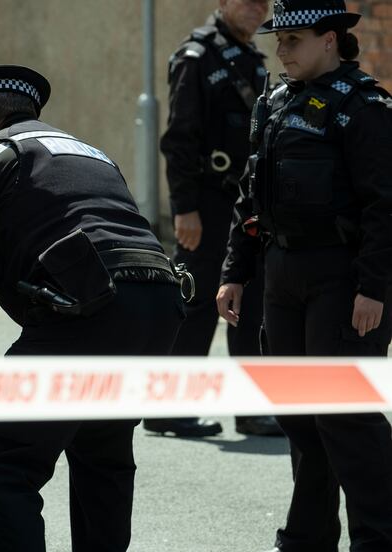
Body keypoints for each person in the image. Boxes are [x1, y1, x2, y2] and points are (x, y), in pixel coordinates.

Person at [0, 65, 185, 552]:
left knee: (4, 465)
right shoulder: (92, 153)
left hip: (84, 309)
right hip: (160, 303)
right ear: (35, 112)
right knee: (103, 456)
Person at [216, 1, 392, 549]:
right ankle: (309, 536)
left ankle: (379, 536)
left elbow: (384, 206)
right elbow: (251, 195)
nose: (282, 50)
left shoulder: (364, 107)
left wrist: (373, 288)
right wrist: (234, 271)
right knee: (298, 413)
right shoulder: (275, 103)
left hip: (342, 276)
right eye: (280, 40)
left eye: (294, 40)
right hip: (282, 273)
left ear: (330, 39)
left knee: (344, 415)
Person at [153, 0, 281, 437]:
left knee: (250, 302)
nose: (256, 9)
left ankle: (251, 409)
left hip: (244, 205)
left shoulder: (252, 58)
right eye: (247, 1)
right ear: (223, 3)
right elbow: (179, 140)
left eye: (262, 2)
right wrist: (184, 208)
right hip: (205, 204)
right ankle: (168, 408)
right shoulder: (197, 57)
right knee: (195, 303)